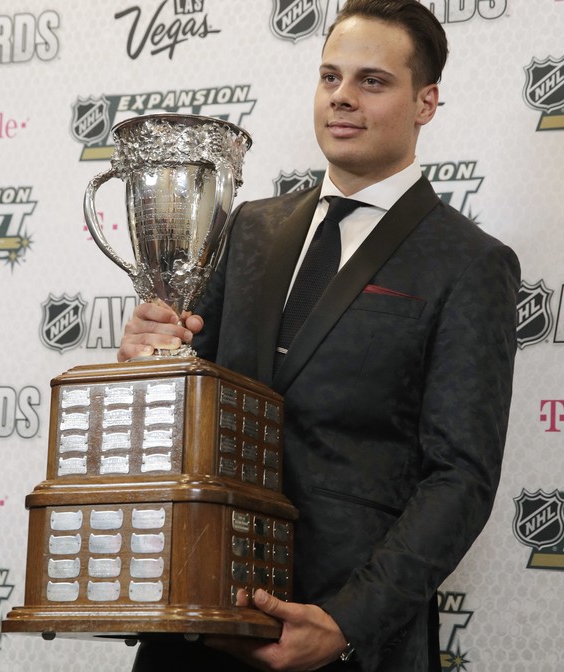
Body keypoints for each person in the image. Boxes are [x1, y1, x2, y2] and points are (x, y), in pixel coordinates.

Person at [119, 1, 520, 670]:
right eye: (330, 76)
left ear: (426, 102)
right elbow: (194, 400)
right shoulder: (248, 227)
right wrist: (151, 358)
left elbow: (461, 477)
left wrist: (346, 622)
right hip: (203, 616)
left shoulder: (470, 263)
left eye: (372, 81)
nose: (342, 97)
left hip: (343, 636)